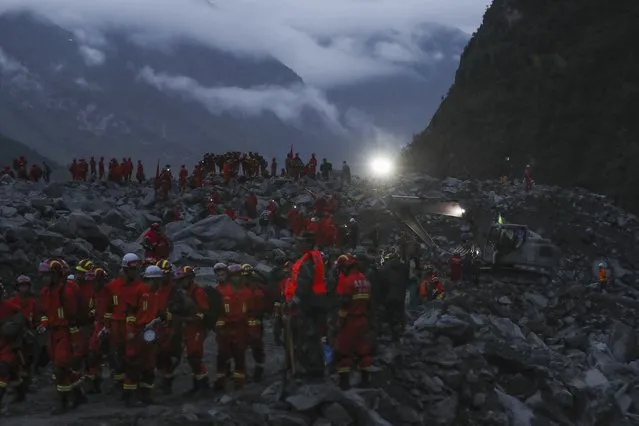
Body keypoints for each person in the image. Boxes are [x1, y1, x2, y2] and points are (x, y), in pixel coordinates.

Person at [285, 232, 328, 379]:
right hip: (318, 304)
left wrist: (294, 301)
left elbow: (303, 285)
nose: (297, 244)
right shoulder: (316, 259)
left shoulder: (307, 263)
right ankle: (315, 367)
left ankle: (309, 370)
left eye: (300, 242)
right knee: (314, 338)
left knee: (306, 338)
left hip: (308, 307)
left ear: (308, 244)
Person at [334, 254, 373, 390]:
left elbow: (345, 305)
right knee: (363, 351)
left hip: (350, 321)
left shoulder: (347, 281)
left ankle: (344, 383)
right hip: (363, 319)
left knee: (343, 352)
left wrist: (339, 322)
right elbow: (369, 304)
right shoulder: (365, 281)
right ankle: (365, 381)